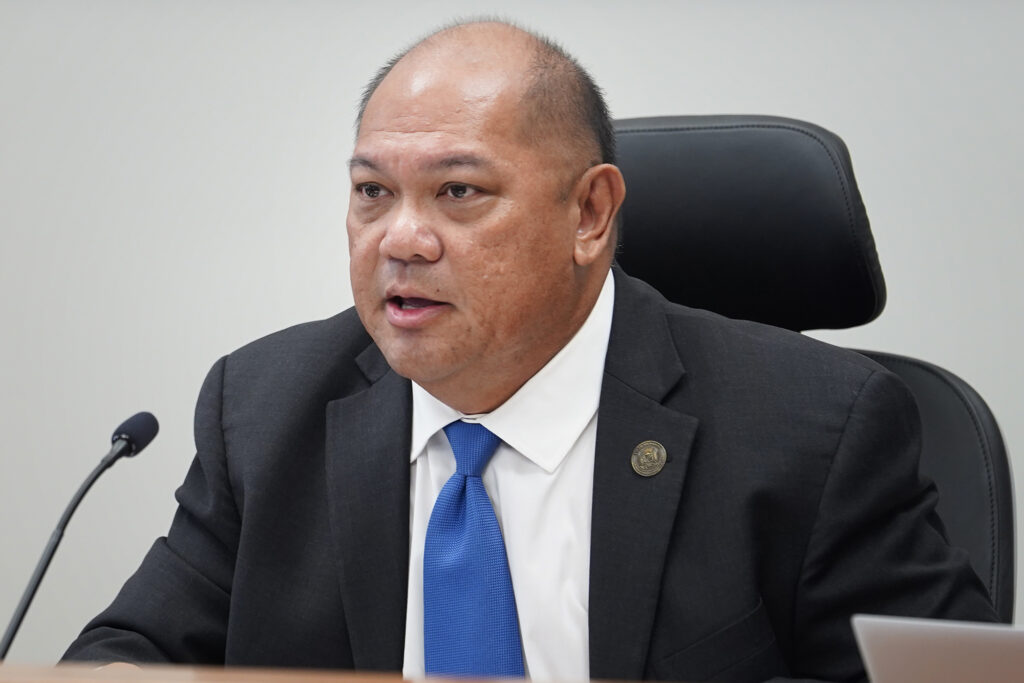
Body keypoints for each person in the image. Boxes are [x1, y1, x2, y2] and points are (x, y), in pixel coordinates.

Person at [63, 20, 998, 682]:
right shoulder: (263, 408)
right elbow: (128, 648)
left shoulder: (811, 431)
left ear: (590, 214)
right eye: (371, 192)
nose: (401, 238)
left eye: (459, 192)